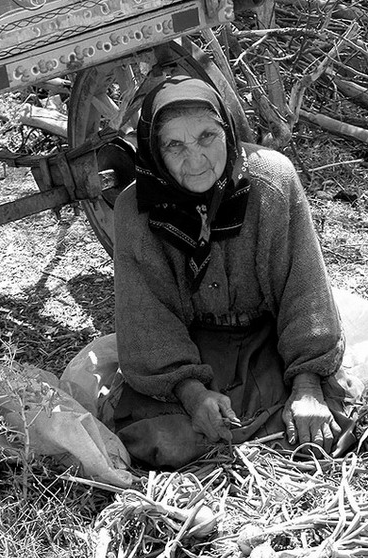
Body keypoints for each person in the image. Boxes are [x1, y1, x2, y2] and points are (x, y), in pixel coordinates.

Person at [112, 75, 362, 469]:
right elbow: (147, 318)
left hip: (271, 338)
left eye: (207, 137)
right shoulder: (136, 210)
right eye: (174, 145)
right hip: (190, 348)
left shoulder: (271, 181)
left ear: (228, 132)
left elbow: (304, 289)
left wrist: (308, 385)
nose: (195, 161)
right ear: (154, 151)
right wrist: (193, 394)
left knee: (320, 422)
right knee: (163, 442)